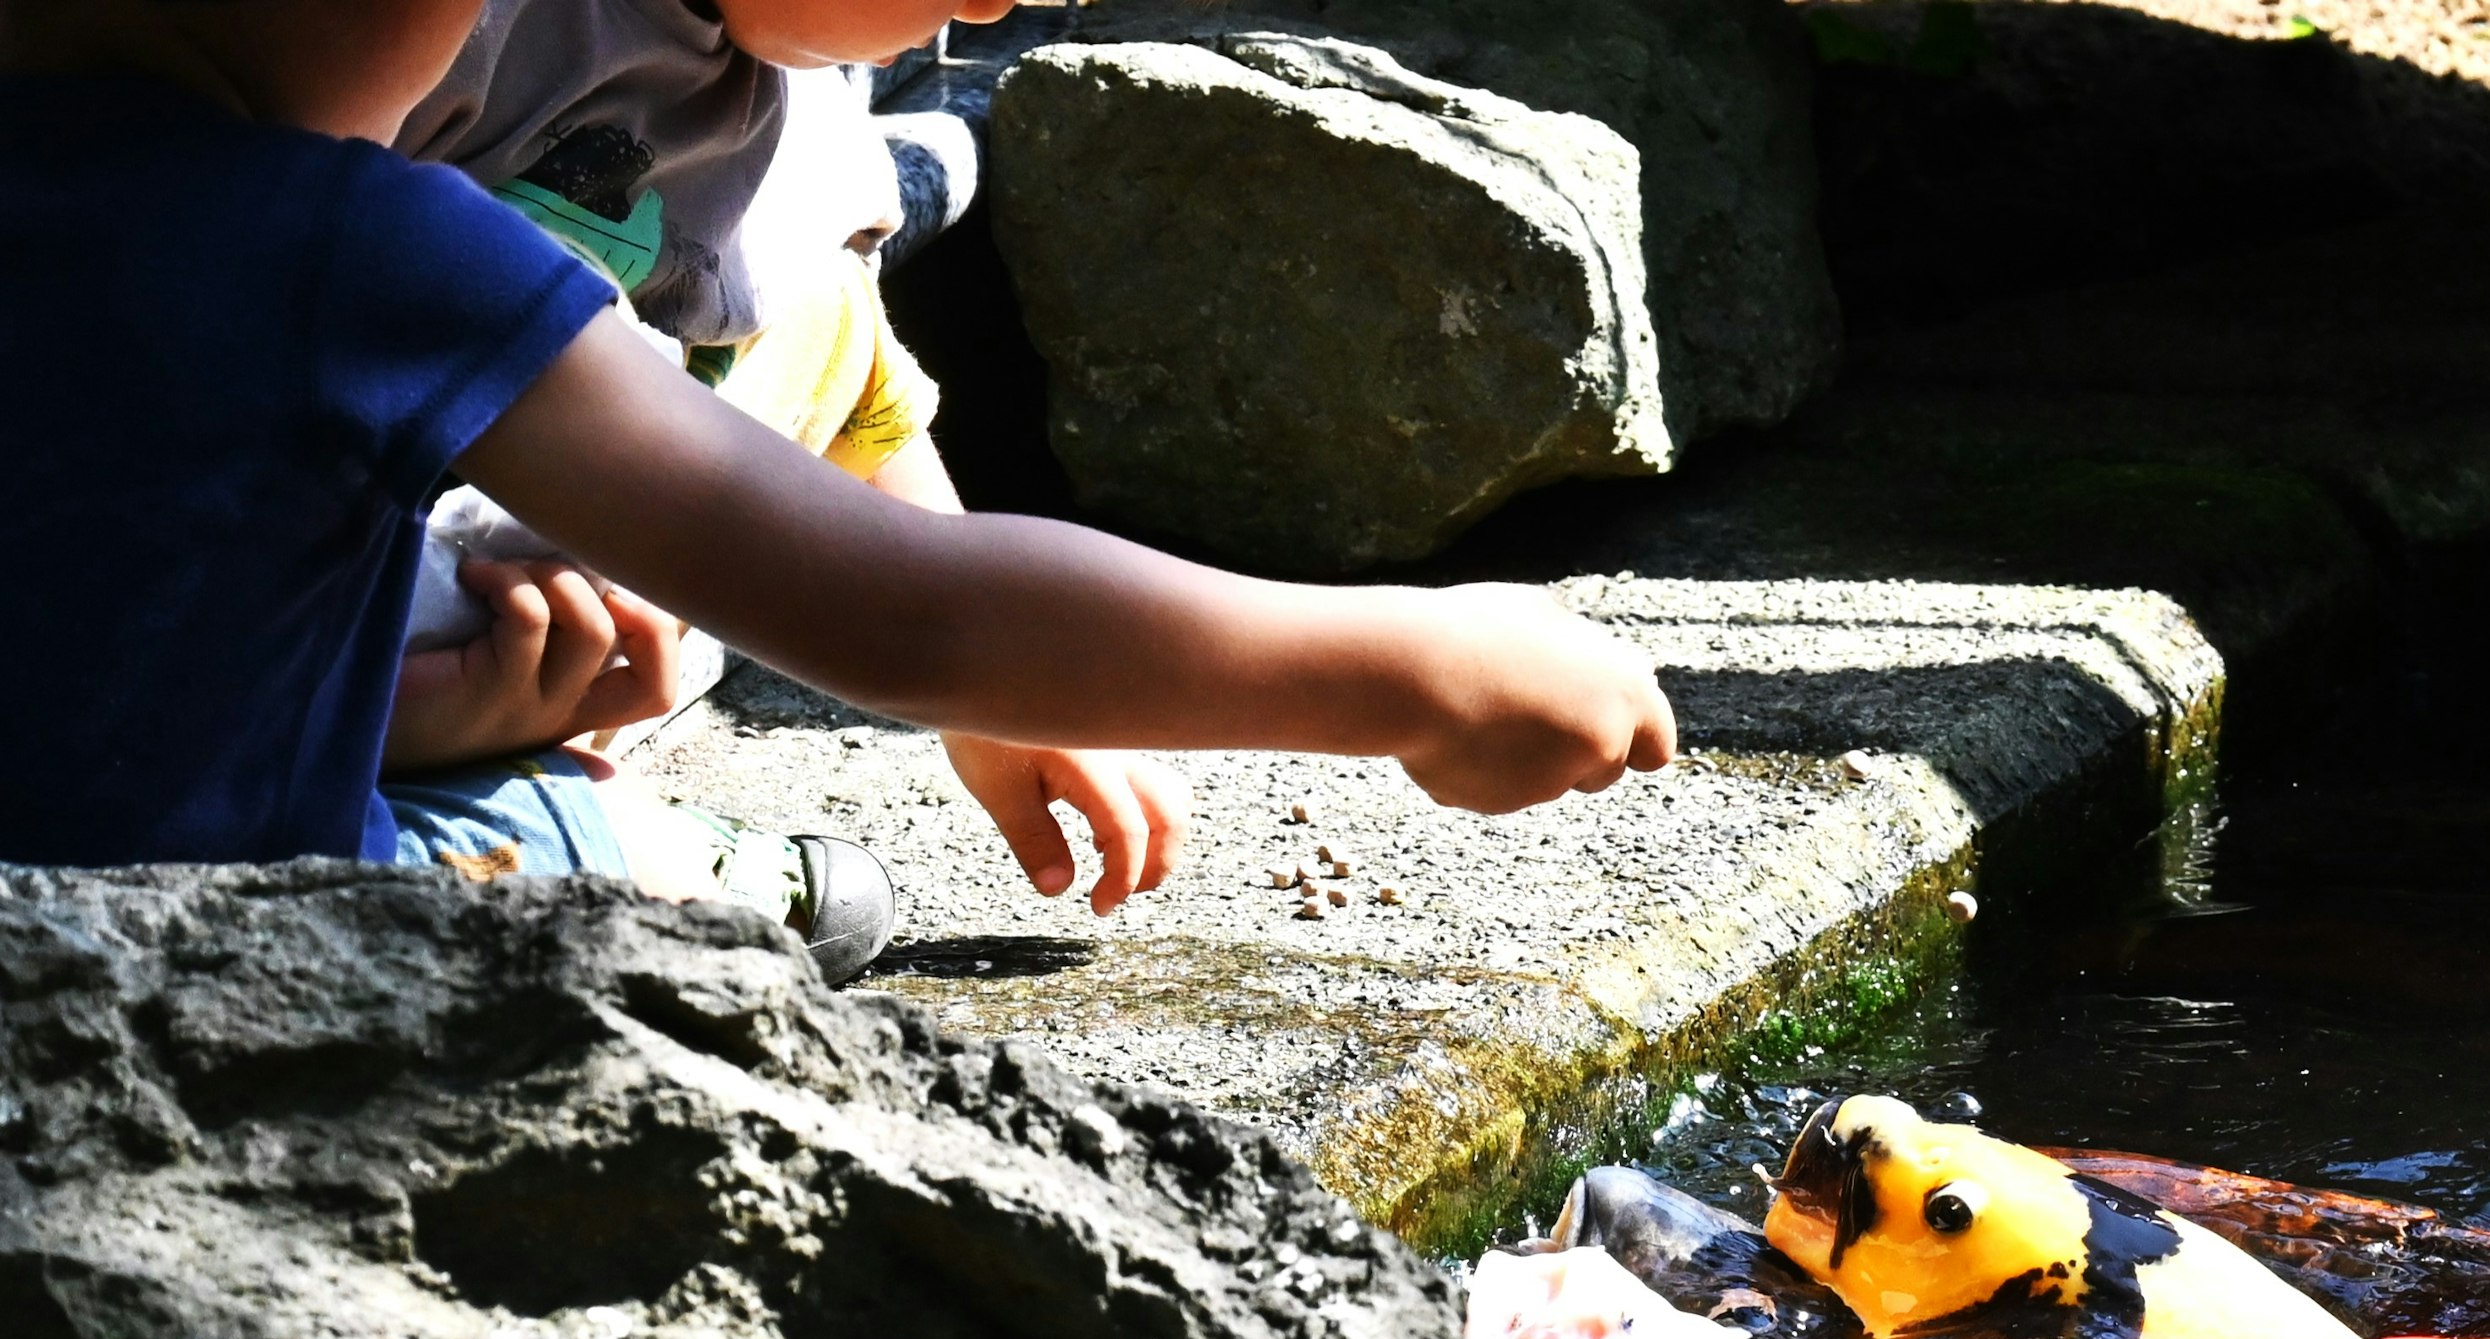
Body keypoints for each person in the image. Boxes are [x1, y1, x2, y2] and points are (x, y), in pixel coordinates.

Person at [0, 0, 1675, 945]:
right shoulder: (367, 252)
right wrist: (1413, 671)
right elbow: (907, 614)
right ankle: (617, 859)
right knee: (546, 881)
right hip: (216, 985)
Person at [390, 0, 1197, 938]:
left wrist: (980, 673)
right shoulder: (437, 35)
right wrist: (407, 715)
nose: (988, 9)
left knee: (817, 293)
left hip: (530, 635)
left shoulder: (787, 72)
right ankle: (543, 826)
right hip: (277, 635)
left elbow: (837, 343)